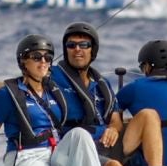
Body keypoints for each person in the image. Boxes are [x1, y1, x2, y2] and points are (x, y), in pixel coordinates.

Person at [0, 33, 104, 166]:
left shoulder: (52, 90)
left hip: (54, 154)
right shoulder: (8, 95)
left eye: (48, 57)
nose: (43, 61)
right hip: (25, 158)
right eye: (36, 57)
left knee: (80, 134)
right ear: (23, 62)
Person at [50, 21, 118, 153]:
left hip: (105, 144)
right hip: (74, 148)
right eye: (71, 45)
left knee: (147, 116)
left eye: (84, 45)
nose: (77, 49)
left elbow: (115, 118)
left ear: (93, 50)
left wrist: (113, 129)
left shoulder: (102, 83)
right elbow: (24, 82)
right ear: (65, 49)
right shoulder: (51, 75)